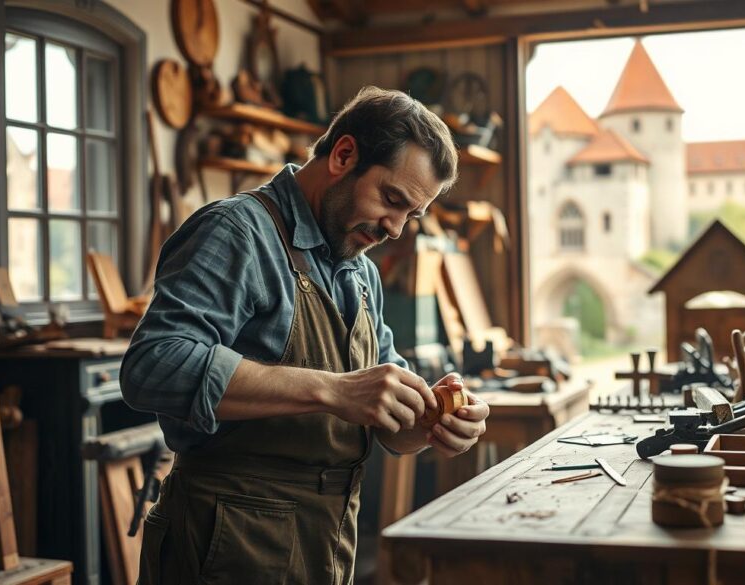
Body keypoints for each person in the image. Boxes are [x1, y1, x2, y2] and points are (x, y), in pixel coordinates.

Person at [121, 86, 490, 585]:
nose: (397, 229)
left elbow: (384, 423)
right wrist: (333, 389)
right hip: (226, 547)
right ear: (343, 155)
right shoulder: (237, 232)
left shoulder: (359, 272)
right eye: (392, 199)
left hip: (327, 543)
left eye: (411, 214)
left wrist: (429, 425)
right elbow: (153, 366)